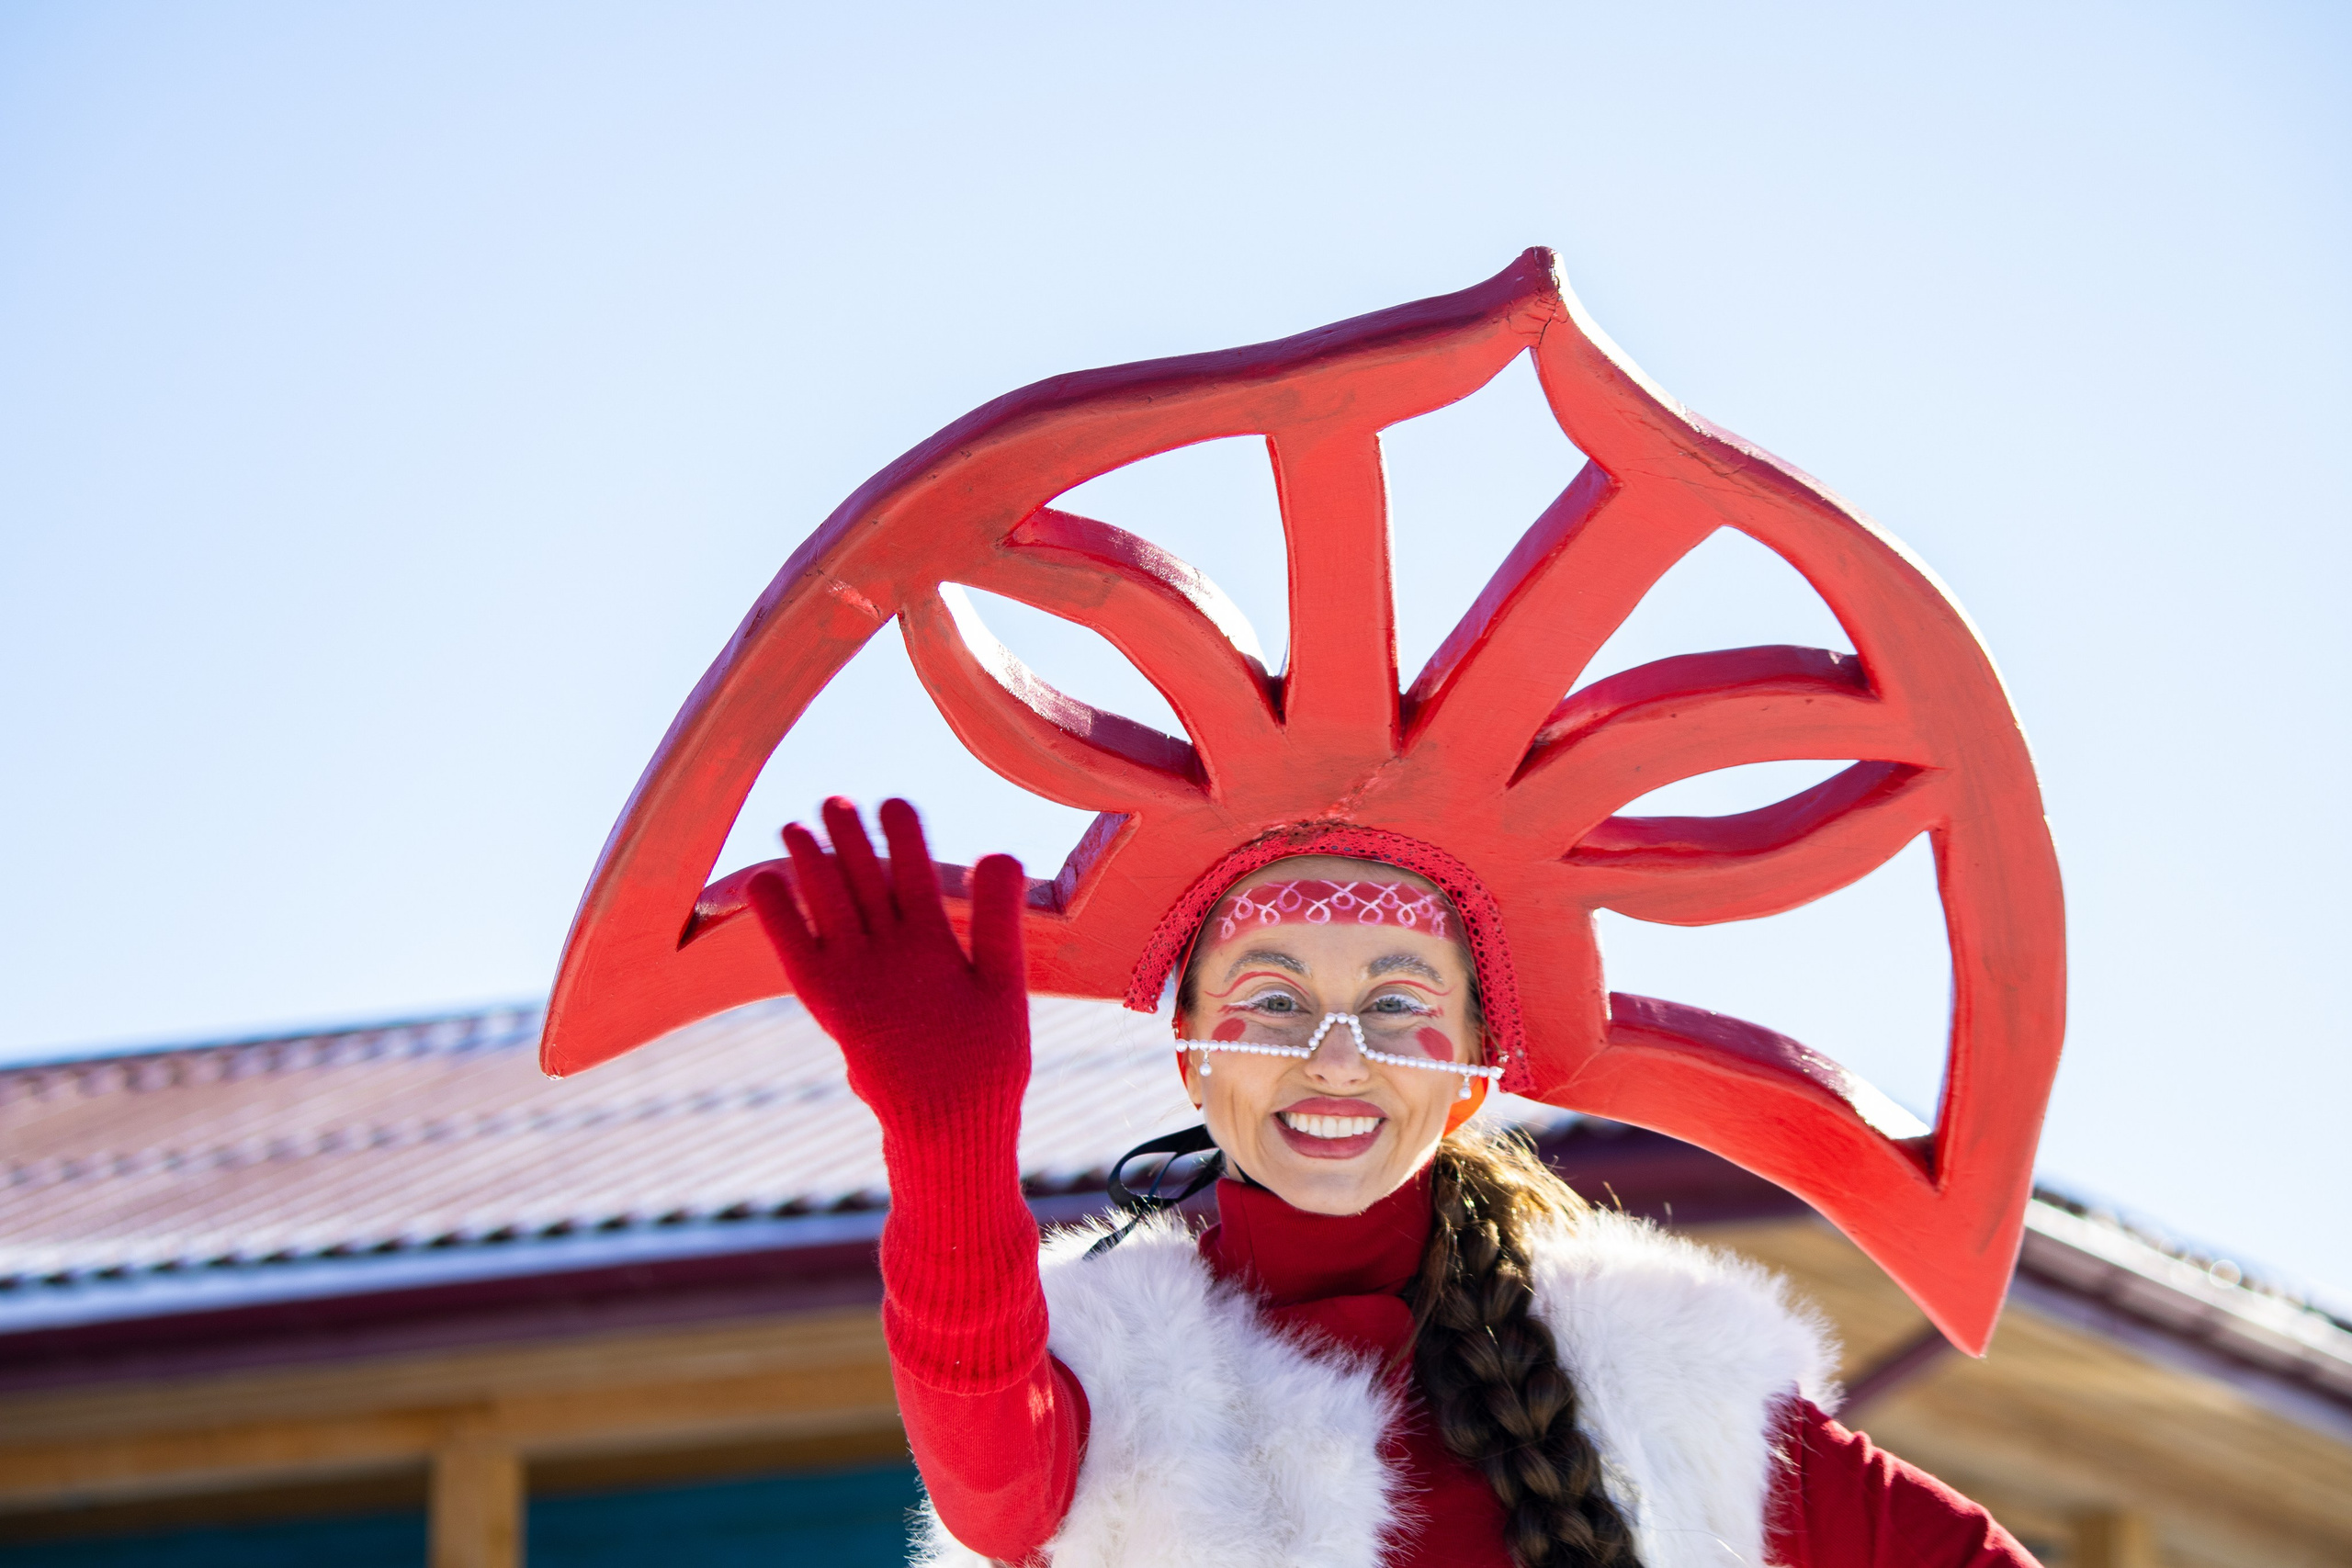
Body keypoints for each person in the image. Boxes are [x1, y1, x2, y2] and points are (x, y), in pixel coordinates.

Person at [747, 796, 2039, 1568]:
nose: (1333, 1056)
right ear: (1193, 1057)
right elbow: (988, 1475)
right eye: (1272, 1001)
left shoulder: (1667, 1383)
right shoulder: (1107, 1367)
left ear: (1474, 1071)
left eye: (1396, 1003)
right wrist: (946, 1131)